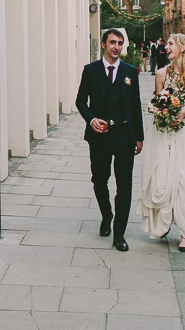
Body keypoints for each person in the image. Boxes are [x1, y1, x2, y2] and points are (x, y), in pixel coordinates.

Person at [75, 29, 145, 252]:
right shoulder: (91, 70)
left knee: (124, 185)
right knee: (99, 180)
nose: (116, 46)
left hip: (124, 135)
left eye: (120, 43)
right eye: (113, 42)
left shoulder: (130, 72)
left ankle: (119, 235)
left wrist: (139, 137)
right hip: (99, 136)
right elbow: (80, 101)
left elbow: (135, 106)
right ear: (104, 45)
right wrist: (91, 119)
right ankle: (107, 215)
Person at [138, 33, 185, 252]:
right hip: (166, 132)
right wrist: (163, 111)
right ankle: (164, 223)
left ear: (183, 47)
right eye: (166, 43)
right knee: (164, 178)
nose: (165, 46)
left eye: (170, 43)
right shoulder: (161, 74)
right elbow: (159, 103)